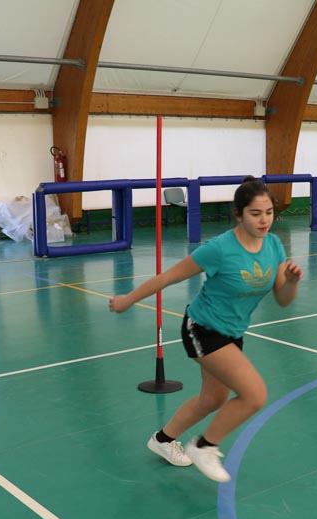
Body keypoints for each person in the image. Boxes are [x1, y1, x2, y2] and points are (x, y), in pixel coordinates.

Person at [109, 177, 303, 482]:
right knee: (255, 395)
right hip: (202, 329)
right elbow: (168, 277)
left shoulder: (274, 246)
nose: (264, 220)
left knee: (213, 400)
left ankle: (162, 440)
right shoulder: (220, 249)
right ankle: (204, 446)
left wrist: (291, 282)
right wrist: (127, 300)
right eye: (255, 213)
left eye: (268, 212)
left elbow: (283, 299)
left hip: (232, 332)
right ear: (238, 214)